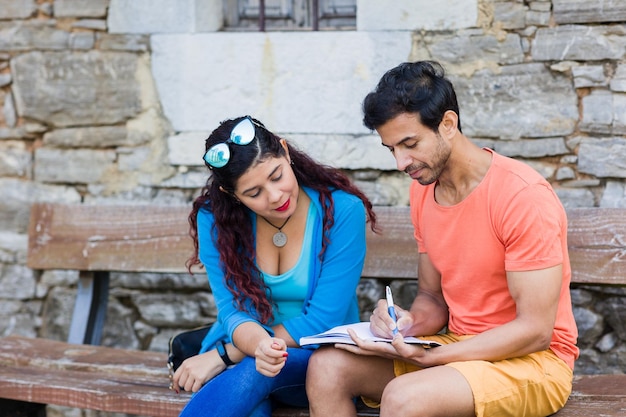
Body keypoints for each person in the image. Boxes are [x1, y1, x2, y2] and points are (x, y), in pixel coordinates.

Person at [306, 61, 579, 417]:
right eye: (392, 149)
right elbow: (432, 298)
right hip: (459, 348)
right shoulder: (424, 191)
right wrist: (403, 325)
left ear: (447, 124)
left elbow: (535, 331)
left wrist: (434, 356)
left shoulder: (522, 196)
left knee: (406, 397)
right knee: (328, 367)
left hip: (533, 362)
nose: (401, 162)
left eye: (410, 143)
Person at [172, 115, 377, 417]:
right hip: (246, 346)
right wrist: (254, 346)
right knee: (253, 406)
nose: (275, 196)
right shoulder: (214, 219)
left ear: (285, 151)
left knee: (255, 372)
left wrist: (227, 354)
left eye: (277, 176)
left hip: (316, 359)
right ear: (233, 195)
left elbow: (323, 319)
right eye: (254, 194)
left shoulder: (342, 211)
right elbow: (232, 310)